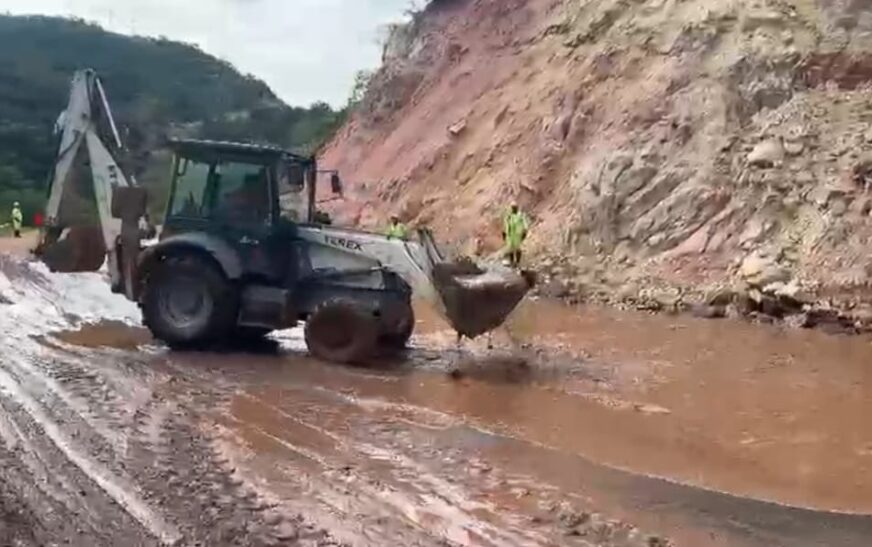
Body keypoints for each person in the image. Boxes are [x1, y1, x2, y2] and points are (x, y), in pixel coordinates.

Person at [502, 202, 529, 268]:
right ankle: (512, 262)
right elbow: (505, 224)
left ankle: (517, 262)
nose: (513, 208)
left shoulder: (521, 215)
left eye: (514, 207)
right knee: (510, 249)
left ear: (517, 208)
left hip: (518, 234)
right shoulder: (509, 216)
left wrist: (524, 232)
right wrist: (504, 232)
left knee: (518, 248)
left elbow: (525, 224)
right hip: (510, 234)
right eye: (512, 207)